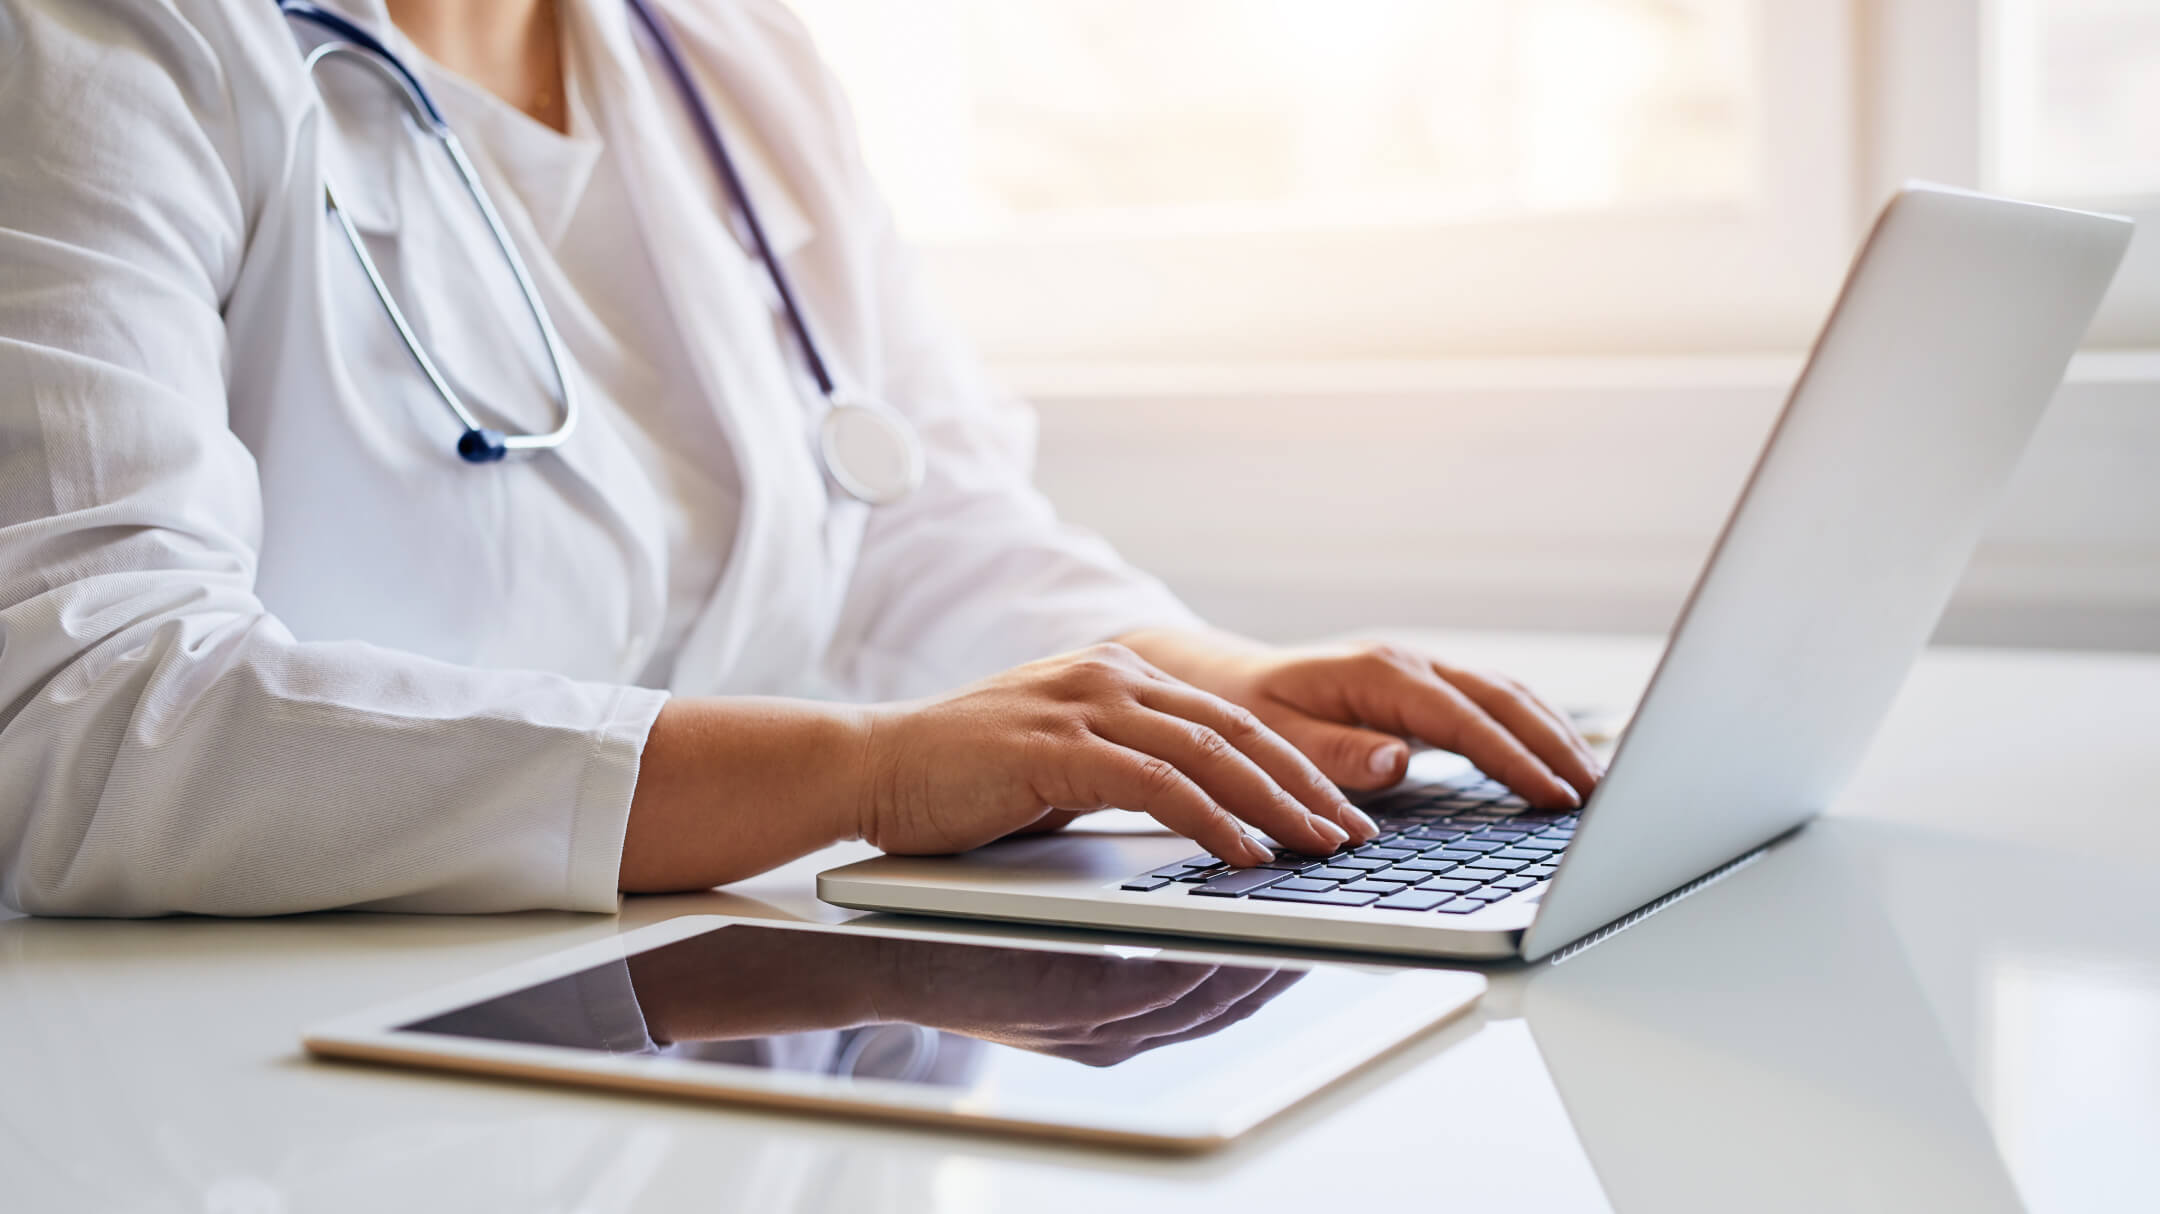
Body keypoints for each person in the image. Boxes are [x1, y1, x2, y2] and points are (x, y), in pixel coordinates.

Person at [0, 0, 1600, 917]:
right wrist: (860, 767)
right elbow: (80, 716)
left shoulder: (722, 57)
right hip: (265, 1096)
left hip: (692, 1016)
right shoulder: (105, 43)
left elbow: (918, 523)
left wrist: (1213, 691)